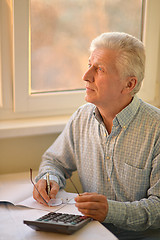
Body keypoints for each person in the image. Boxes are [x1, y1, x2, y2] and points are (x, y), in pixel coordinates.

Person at [33, 32, 160, 240]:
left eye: (99, 69)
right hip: (91, 233)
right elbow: (54, 161)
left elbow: (159, 208)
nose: (86, 76)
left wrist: (111, 211)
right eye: (89, 64)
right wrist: (49, 180)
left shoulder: (156, 129)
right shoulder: (82, 117)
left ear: (129, 84)